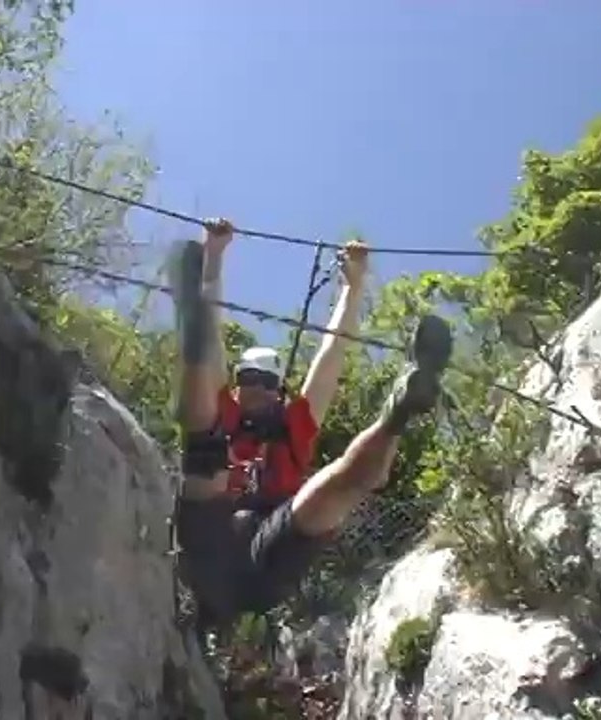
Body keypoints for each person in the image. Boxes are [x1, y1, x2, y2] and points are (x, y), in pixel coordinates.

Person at [167, 218, 453, 631]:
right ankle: (395, 418)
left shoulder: (292, 425)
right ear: (238, 383)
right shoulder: (228, 412)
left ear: (278, 391)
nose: (256, 388)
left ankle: (399, 410)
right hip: (213, 541)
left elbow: (331, 353)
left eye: (266, 382)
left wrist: (353, 287)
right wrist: (212, 259)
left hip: (260, 555)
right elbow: (213, 346)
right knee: (208, 440)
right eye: (248, 379)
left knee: (321, 493)